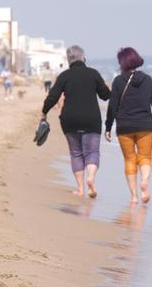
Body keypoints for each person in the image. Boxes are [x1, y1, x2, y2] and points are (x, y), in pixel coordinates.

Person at [41, 45, 111, 198]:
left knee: (76, 153)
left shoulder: (64, 76)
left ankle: (80, 189)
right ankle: (91, 178)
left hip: (70, 119)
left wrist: (44, 112)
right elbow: (105, 95)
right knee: (92, 152)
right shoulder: (93, 74)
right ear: (83, 58)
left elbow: (52, 97)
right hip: (91, 119)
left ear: (68, 60)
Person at [104, 47, 152, 204]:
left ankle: (133, 196)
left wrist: (107, 127)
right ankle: (144, 181)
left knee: (129, 159)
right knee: (145, 157)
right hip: (144, 126)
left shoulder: (118, 81)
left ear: (122, 62)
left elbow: (112, 106)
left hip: (124, 127)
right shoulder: (147, 79)